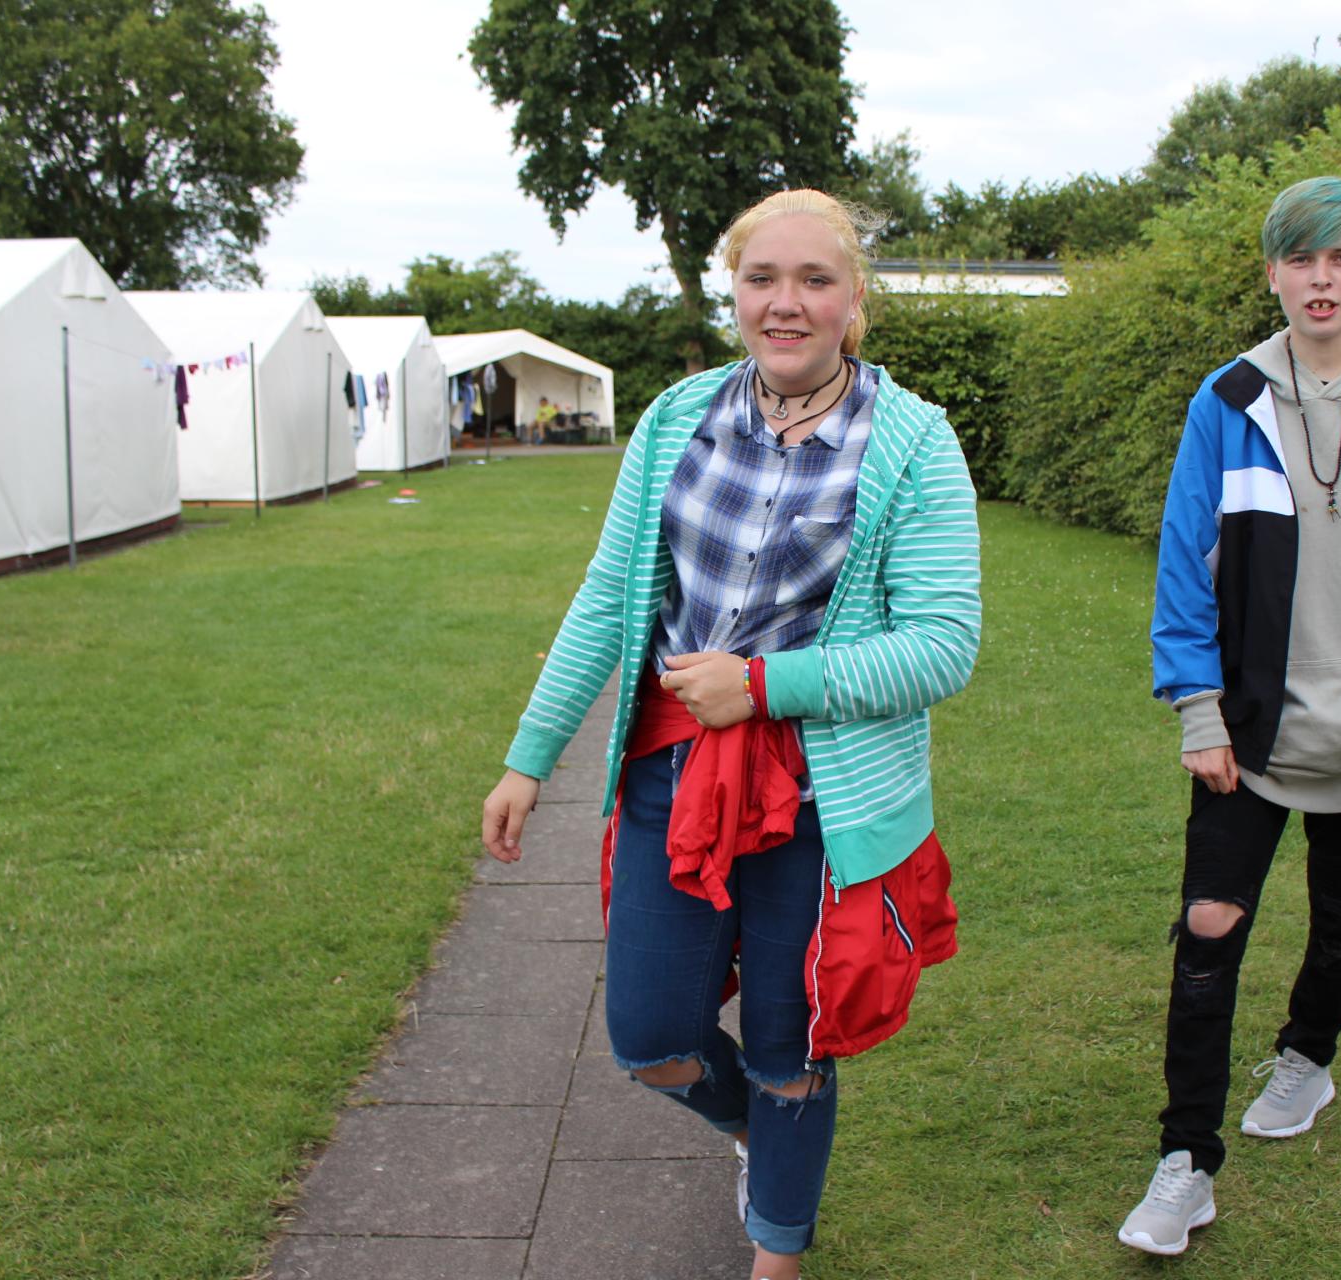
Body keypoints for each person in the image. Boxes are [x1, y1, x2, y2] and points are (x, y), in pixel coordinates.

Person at [481, 188, 981, 1280]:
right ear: (735, 292)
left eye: (815, 280)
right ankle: (761, 1134)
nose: (785, 303)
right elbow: (608, 594)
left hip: (824, 794)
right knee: (652, 1039)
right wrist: (529, 755)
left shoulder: (914, 442)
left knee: (791, 1045)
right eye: (763, 279)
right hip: (676, 773)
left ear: (855, 298)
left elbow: (944, 646)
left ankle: (778, 1247)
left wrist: (763, 685)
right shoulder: (676, 419)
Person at [1119, 176, 1341, 1256]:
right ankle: (1186, 1161)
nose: (1320, 279)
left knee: (1340, 921)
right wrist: (1197, 710)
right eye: (1300, 258)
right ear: (1274, 274)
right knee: (1208, 922)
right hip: (1249, 732)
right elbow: (1185, 566)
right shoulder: (1226, 400)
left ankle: (1307, 1056)